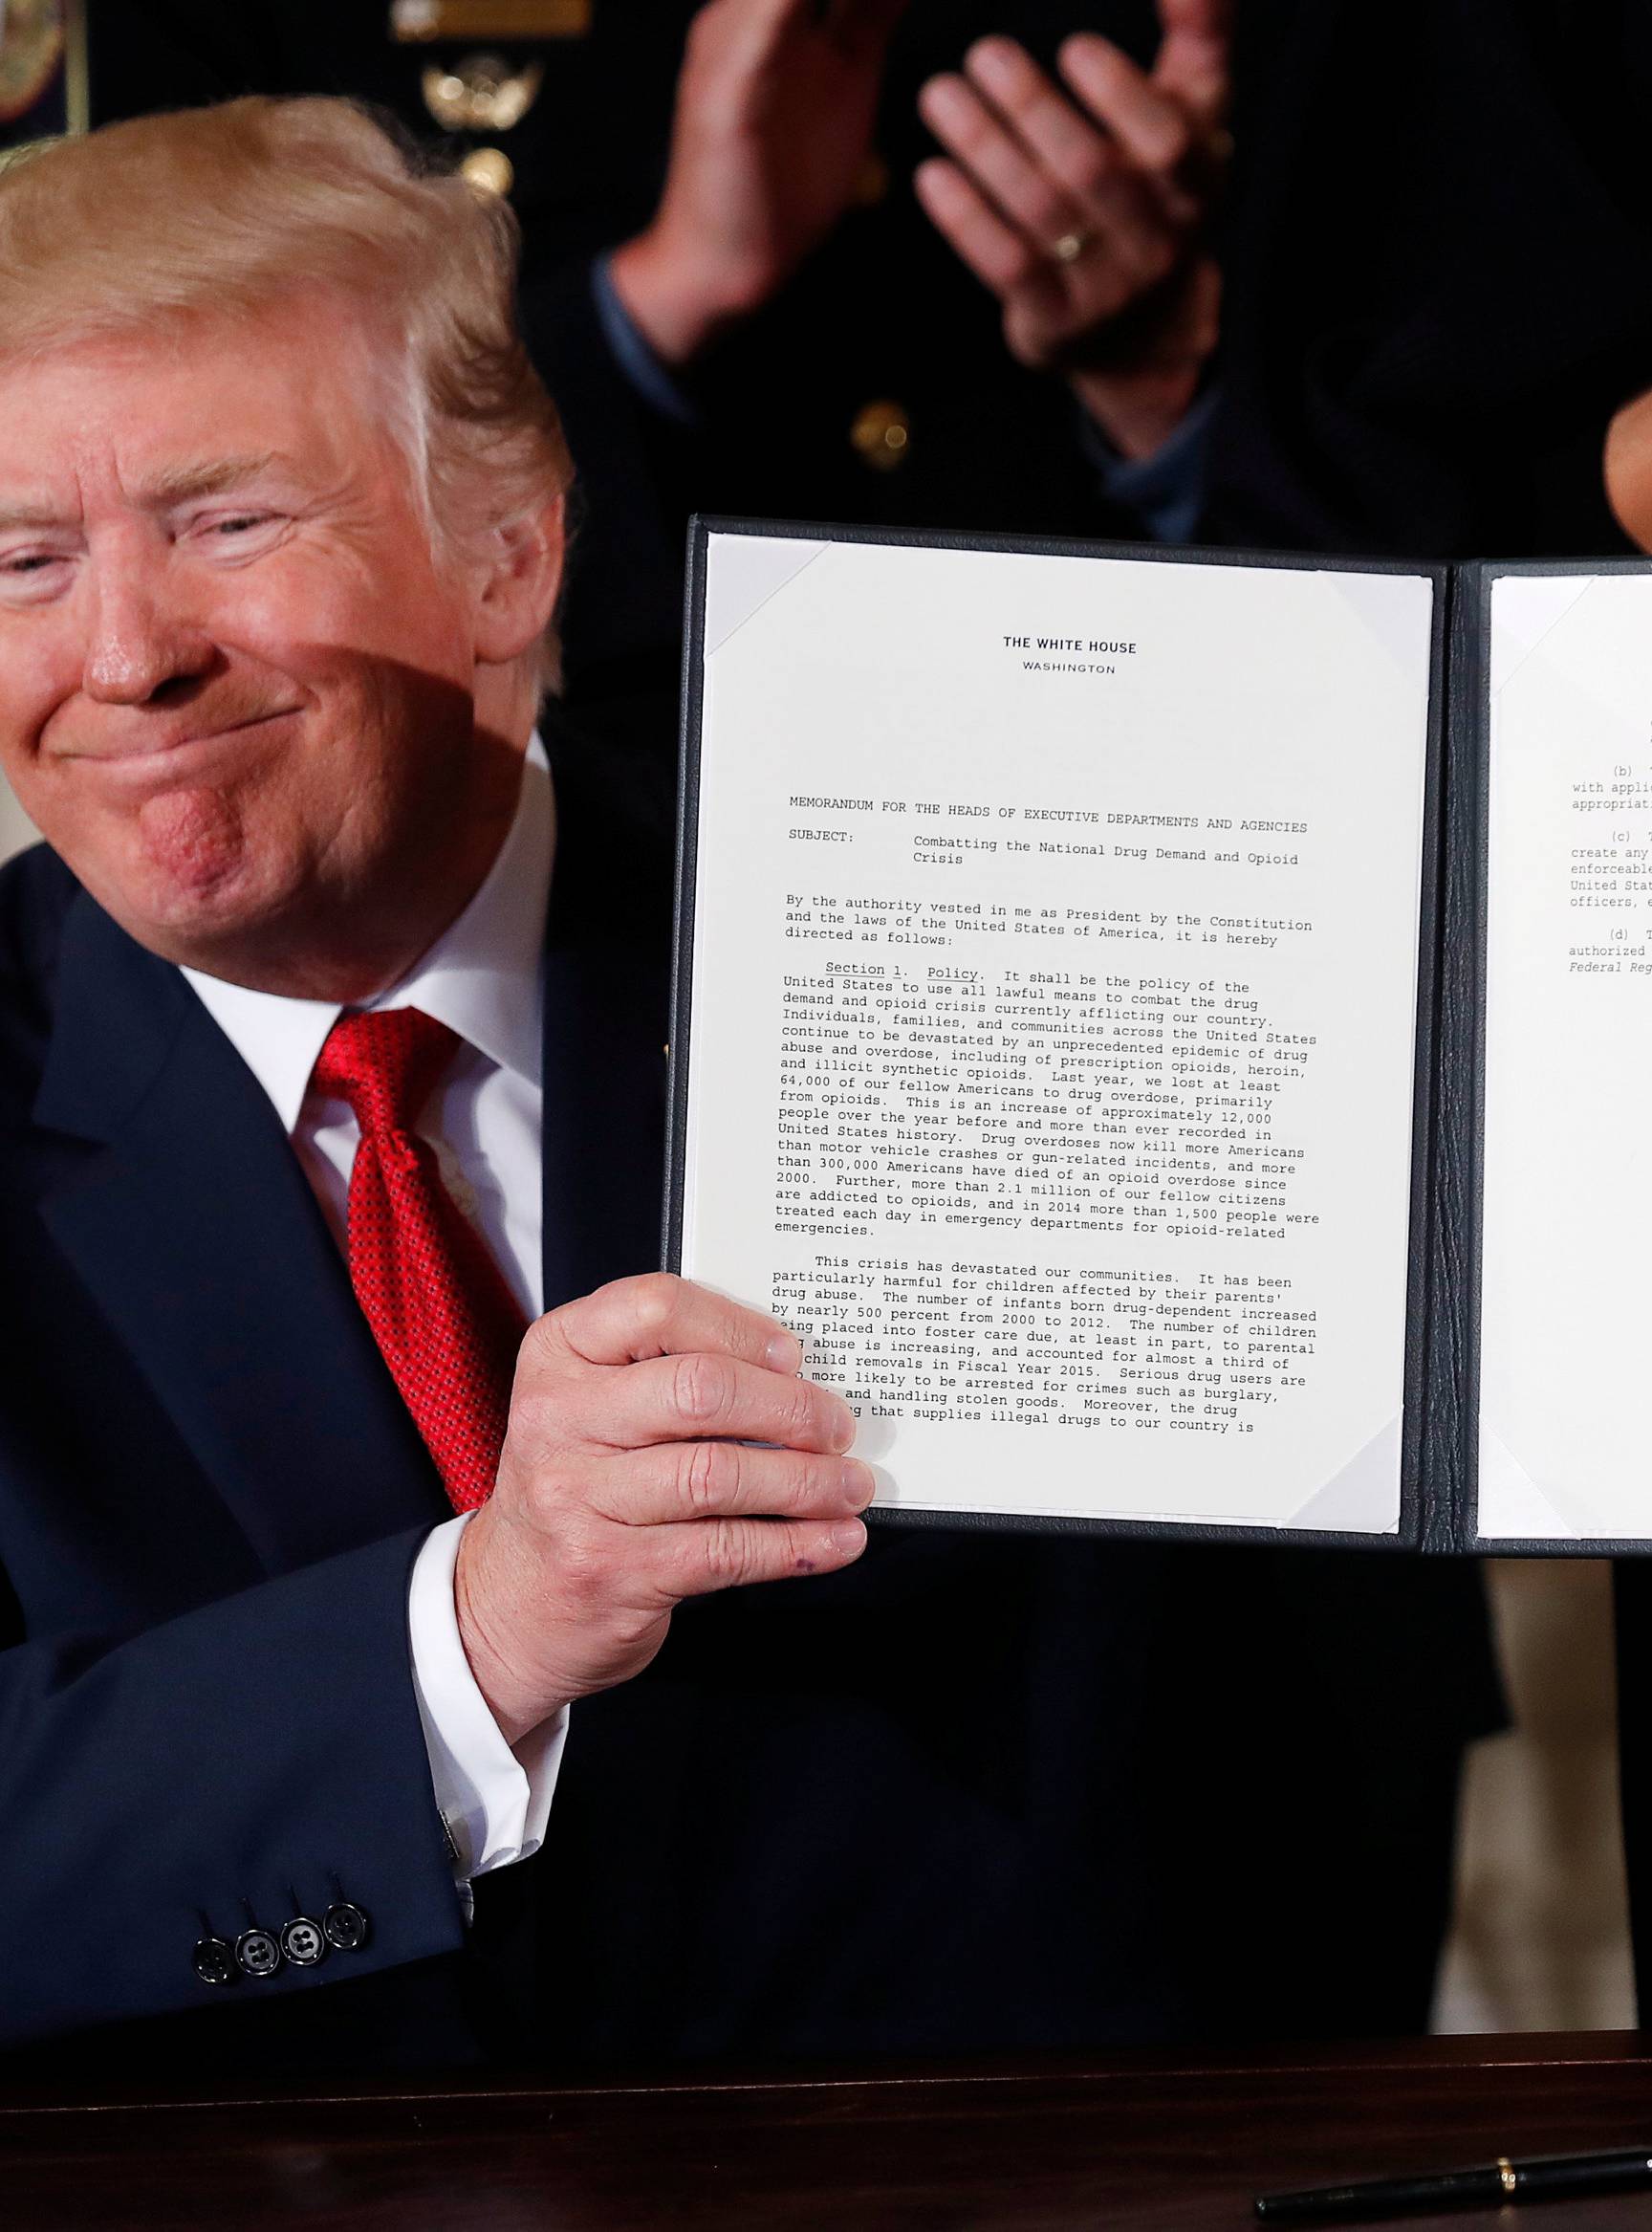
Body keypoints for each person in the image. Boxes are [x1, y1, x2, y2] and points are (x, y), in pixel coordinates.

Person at [0, 95, 1495, 2079]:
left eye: (229, 524)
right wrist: (476, 1632)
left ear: (509, 556)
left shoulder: (987, 926)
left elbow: (1289, 1725)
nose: (125, 656)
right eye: (23, 561)